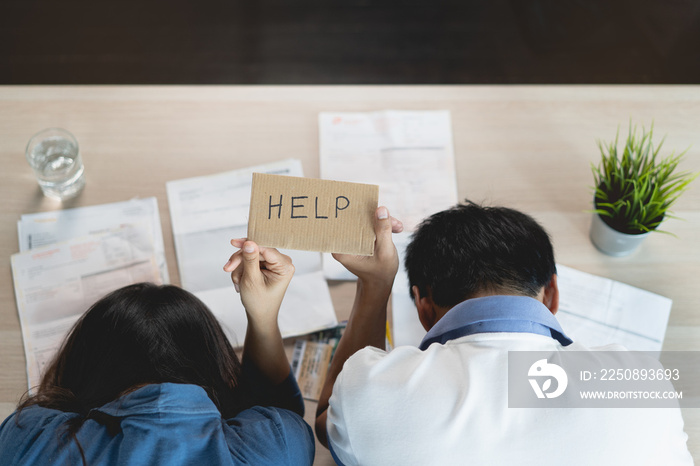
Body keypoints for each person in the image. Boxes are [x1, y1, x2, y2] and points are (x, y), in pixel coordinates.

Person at [315, 202, 693, 466]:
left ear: (423, 308)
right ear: (553, 294)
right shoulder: (640, 382)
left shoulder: (375, 390)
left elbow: (329, 422)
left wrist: (376, 284)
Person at [0, 239, 314, 465]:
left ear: (86, 366)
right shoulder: (275, 449)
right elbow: (281, 416)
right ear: (214, 365)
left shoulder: (27, 440)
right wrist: (262, 316)